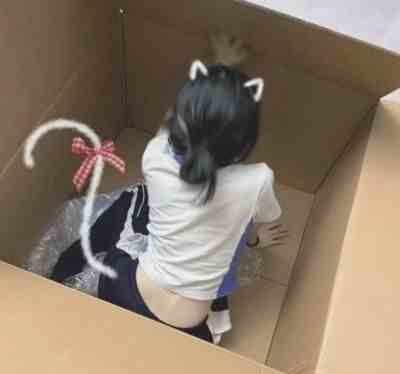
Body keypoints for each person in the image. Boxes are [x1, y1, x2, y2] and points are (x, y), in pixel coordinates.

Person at [51, 53, 286, 343]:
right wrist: (255, 240)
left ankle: (61, 273)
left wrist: (215, 68)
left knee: (136, 196)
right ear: (245, 143)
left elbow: (170, 122)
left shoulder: (155, 157)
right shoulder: (258, 180)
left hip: (123, 291)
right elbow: (256, 220)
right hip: (189, 329)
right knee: (235, 228)